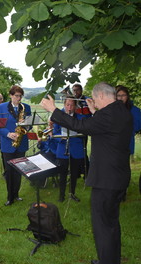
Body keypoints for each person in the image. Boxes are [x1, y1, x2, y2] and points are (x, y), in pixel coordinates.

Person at [41, 82, 132, 264]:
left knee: (102, 226)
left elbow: (80, 126)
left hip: (106, 180)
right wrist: (95, 112)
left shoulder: (107, 114)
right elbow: (104, 127)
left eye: (95, 100)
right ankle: (111, 259)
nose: (94, 103)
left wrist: (54, 110)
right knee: (111, 223)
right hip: (119, 176)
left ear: (100, 96)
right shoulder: (122, 111)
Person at [0, 85, 31, 206]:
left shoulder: (26, 107)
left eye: (20, 96)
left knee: (19, 170)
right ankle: (10, 197)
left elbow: (30, 125)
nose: (19, 98)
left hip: (21, 143)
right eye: (16, 96)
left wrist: (25, 127)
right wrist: (8, 134)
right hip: (8, 144)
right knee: (9, 171)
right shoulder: (1, 108)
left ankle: (16, 194)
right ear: (11, 95)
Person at [53, 96, 85, 202]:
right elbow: (54, 132)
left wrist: (78, 133)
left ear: (75, 106)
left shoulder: (80, 117)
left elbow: (84, 132)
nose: (69, 107)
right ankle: (61, 196)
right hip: (63, 148)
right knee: (62, 174)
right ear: (64, 105)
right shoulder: (59, 117)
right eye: (67, 105)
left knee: (74, 174)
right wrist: (60, 137)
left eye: (72, 105)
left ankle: (72, 193)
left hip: (76, 149)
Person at [116, 85, 141, 156]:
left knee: (124, 165)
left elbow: (137, 126)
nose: (121, 98)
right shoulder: (112, 109)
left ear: (127, 96)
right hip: (113, 143)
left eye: (123, 95)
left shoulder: (135, 110)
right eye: (118, 95)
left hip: (127, 142)